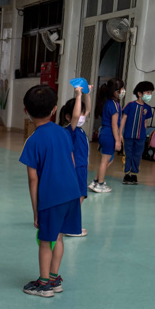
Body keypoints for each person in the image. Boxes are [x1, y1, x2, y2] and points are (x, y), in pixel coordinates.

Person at [19, 85, 81, 298]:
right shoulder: (64, 133)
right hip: (71, 194)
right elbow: (72, 162)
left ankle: (44, 284)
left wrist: (36, 210)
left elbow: (33, 179)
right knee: (59, 236)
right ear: (54, 109)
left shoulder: (33, 141)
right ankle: (55, 278)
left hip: (51, 198)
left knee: (45, 241)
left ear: (26, 110)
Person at [58, 84, 90, 238]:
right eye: (80, 113)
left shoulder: (79, 130)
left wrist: (87, 93)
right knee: (78, 197)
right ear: (68, 117)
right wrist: (78, 96)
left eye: (83, 113)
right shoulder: (69, 130)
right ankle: (70, 226)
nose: (82, 116)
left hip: (82, 167)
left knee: (80, 195)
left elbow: (87, 109)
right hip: (76, 168)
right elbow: (76, 117)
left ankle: (67, 222)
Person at [90, 78, 124, 193]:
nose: (123, 91)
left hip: (104, 133)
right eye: (122, 89)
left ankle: (95, 181)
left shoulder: (108, 103)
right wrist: (117, 140)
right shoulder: (115, 105)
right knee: (105, 161)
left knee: (109, 160)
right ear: (116, 92)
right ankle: (100, 184)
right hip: (109, 135)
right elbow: (114, 125)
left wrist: (119, 135)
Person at [120, 81, 155, 184]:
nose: (149, 95)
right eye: (147, 92)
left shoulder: (148, 108)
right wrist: (120, 133)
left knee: (137, 155)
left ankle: (134, 174)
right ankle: (127, 174)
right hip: (128, 136)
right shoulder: (130, 105)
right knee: (128, 155)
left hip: (141, 137)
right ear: (139, 93)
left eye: (150, 93)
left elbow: (145, 122)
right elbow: (123, 119)